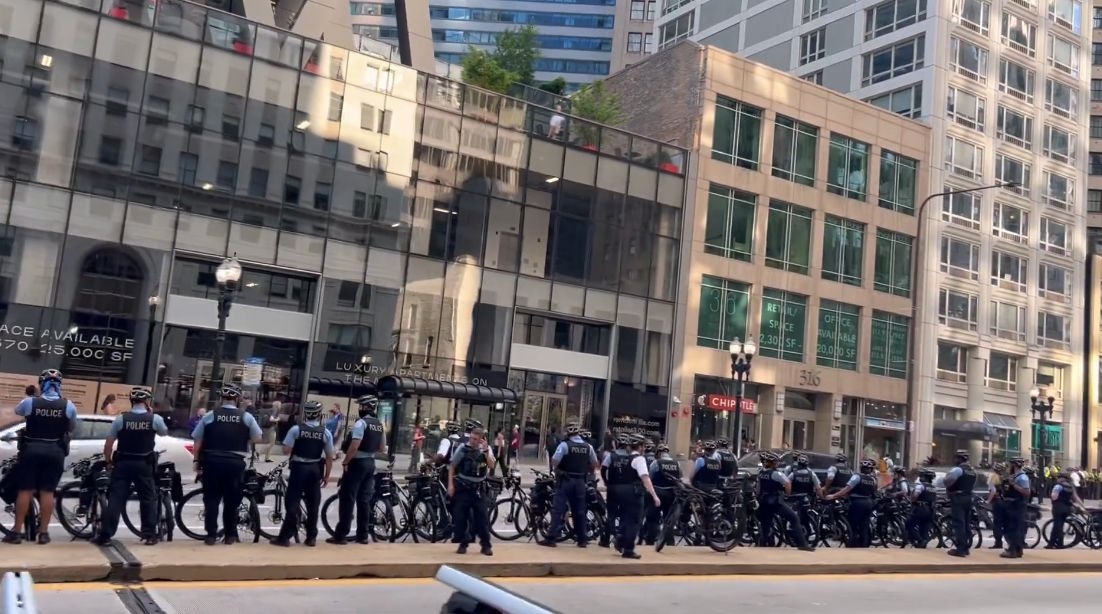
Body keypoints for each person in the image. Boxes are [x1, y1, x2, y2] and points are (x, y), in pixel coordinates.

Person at [3, 369, 77, 544]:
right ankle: (44, 533)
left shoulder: (30, 402)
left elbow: (18, 411)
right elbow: (71, 428)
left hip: (32, 449)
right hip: (55, 451)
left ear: (41, 384)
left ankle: (16, 531)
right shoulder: (68, 405)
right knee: (48, 492)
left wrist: (36, 398)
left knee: (25, 490)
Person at [93, 388, 168, 546]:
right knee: (147, 499)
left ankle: (105, 535)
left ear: (131, 402)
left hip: (123, 464)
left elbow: (109, 444)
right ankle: (149, 535)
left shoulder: (121, 419)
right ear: (147, 402)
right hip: (144, 464)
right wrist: (151, 414)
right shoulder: (154, 418)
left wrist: (108, 461)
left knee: (116, 499)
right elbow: (163, 432)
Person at [190, 384, 263, 545]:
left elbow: (198, 441)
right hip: (235, 463)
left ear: (221, 399)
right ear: (237, 399)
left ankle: (211, 535)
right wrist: (244, 438)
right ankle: (230, 535)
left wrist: (196, 460)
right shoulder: (245, 417)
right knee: (232, 500)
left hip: (212, 462)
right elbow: (258, 437)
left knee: (211, 500)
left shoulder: (210, 415)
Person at [270, 401, 334, 547]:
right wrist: (327, 475)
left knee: (292, 501)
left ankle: (285, 537)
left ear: (306, 414)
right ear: (319, 415)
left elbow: (286, 450)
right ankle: (311, 537)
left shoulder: (296, 429)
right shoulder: (325, 432)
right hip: (314, 469)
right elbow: (330, 456)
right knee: (313, 504)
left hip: (299, 468)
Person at [328, 394, 386, 545]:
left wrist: (346, 461)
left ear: (366, 407)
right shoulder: (379, 424)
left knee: (348, 498)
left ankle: (341, 535)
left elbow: (354, 445)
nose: (359, 409)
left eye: (361, 406)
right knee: (364, 500)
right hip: (370, 463)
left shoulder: (361, 423)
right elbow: (382, 448)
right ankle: (363, 536)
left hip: (357, 463)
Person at [539, 423, 598, 548]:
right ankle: (582, 539)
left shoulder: (565, 445)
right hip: (581, 481)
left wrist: (557, 469)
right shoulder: (588, 447)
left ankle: (551, 538)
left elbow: (555, 460)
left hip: (566, 480)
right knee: (580, 511)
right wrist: (588, 472)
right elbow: (595, 463)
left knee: (557, 510)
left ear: (568, 433)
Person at [605, 434, 660, 559]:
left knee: (625, 518)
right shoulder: (639, 459)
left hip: (621, 491)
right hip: (634, 493)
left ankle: (620, 539)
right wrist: (654, 495)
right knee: (634, 521)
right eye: (644, 446)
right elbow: (645, 478)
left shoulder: (626, 458)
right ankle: (628, 549)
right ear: (641, 447)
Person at [448, 427, 495, 556]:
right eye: (471, 438)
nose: (473, 441)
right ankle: (463, 543)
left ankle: (486, 545)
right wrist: (450, 485)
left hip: (479, 488)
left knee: (482, 518)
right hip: (464, 487)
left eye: (476, 439)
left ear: (481, 439)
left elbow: (491, 465)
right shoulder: (463, 449)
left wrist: (486, 451)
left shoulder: (486, 449)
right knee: (460, 517)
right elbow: (452, 466)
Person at [757, 451, 814, 551]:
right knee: (794, 518)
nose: (778, 463)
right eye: (777, 462)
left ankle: (761, 546)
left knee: (766, 525)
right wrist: (788, 493)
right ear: (773, 463)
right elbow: (787, 482)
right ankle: (802, 544)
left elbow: (758, 488)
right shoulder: (776, 473)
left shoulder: (761, 473)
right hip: (775, 502)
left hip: (763, 502)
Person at [825, 458, 879, 548]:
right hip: (869, 503)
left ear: (861, 468)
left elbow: (846, 490)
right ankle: (864, 547)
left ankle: (852, 545)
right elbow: (874, 491)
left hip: (857, 503)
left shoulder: (857, 477)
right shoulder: (873, 480)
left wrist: (833, 496)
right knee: (864, 527)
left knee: (853, 525)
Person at [942, 449, 977, 557]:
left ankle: (960, 549)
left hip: (958, 498)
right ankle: (965, 547)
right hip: (968, 497)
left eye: (956, 457)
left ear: (959, 458)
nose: (955, 459)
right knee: (966, 523)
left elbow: (947, 481)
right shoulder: (972, 471)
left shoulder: (958, 470)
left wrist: (949, 487)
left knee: (959, 523)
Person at [645, 443, 681, 546]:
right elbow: (680, 477)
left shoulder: (656, 463)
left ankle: (650, 541)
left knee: (653, 519)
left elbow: (649, 478)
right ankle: (670, 542)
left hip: (657, 493)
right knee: (669, 519)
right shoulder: (677, 463)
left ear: (659, 453)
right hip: (671, 493)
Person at [1000, 458, 1031, 558]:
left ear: (1014, 465)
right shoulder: (1015, 476)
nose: (1009, 467)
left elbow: (1026, 491)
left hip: (1017, 505)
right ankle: (1016, 549)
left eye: (1010, 464)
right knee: (1011, 527)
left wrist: (1013, 485)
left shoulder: (1022, 477)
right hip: (1011, 505)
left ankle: (1012, 550)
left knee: (1013, 528)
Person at [1046, 471, 1085, 549]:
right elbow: (1076, 497)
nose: (1057, 479)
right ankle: (1051, 544)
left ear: (1061, 478)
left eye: (1058, 477)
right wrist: (1082, 506)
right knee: (1058, 526)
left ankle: (1059, 544)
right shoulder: (1070, 486)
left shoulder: (1058, 486)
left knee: (1058, 526)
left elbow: (1054, 497)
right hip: (1067, 509)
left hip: (1058, 508)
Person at [787, 453, 821, 536]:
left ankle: (791, 530)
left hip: (795, 499)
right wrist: (821, 497)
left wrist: (787, 495)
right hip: (808, 499)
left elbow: (787, 485)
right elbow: (818, 488)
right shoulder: (811, 474)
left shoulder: (793, 474)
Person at [906, 468, 937, 548]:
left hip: (921, 509)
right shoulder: (933, 487)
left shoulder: (920, 486)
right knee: (924, 528)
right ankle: (922, 544)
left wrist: (912, 500)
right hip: (931, 510)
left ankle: (919, 540)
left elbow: (915, 495)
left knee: (909, 524)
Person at [987, 462, 1009, 550]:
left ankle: (998, 543)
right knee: (1005, 523)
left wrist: (988, 500)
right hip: (1005, 502)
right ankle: (1009, 541)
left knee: (997, 524)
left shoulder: (994, 477)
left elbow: (993, 490)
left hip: (997, 502)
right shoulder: (1005, 478)